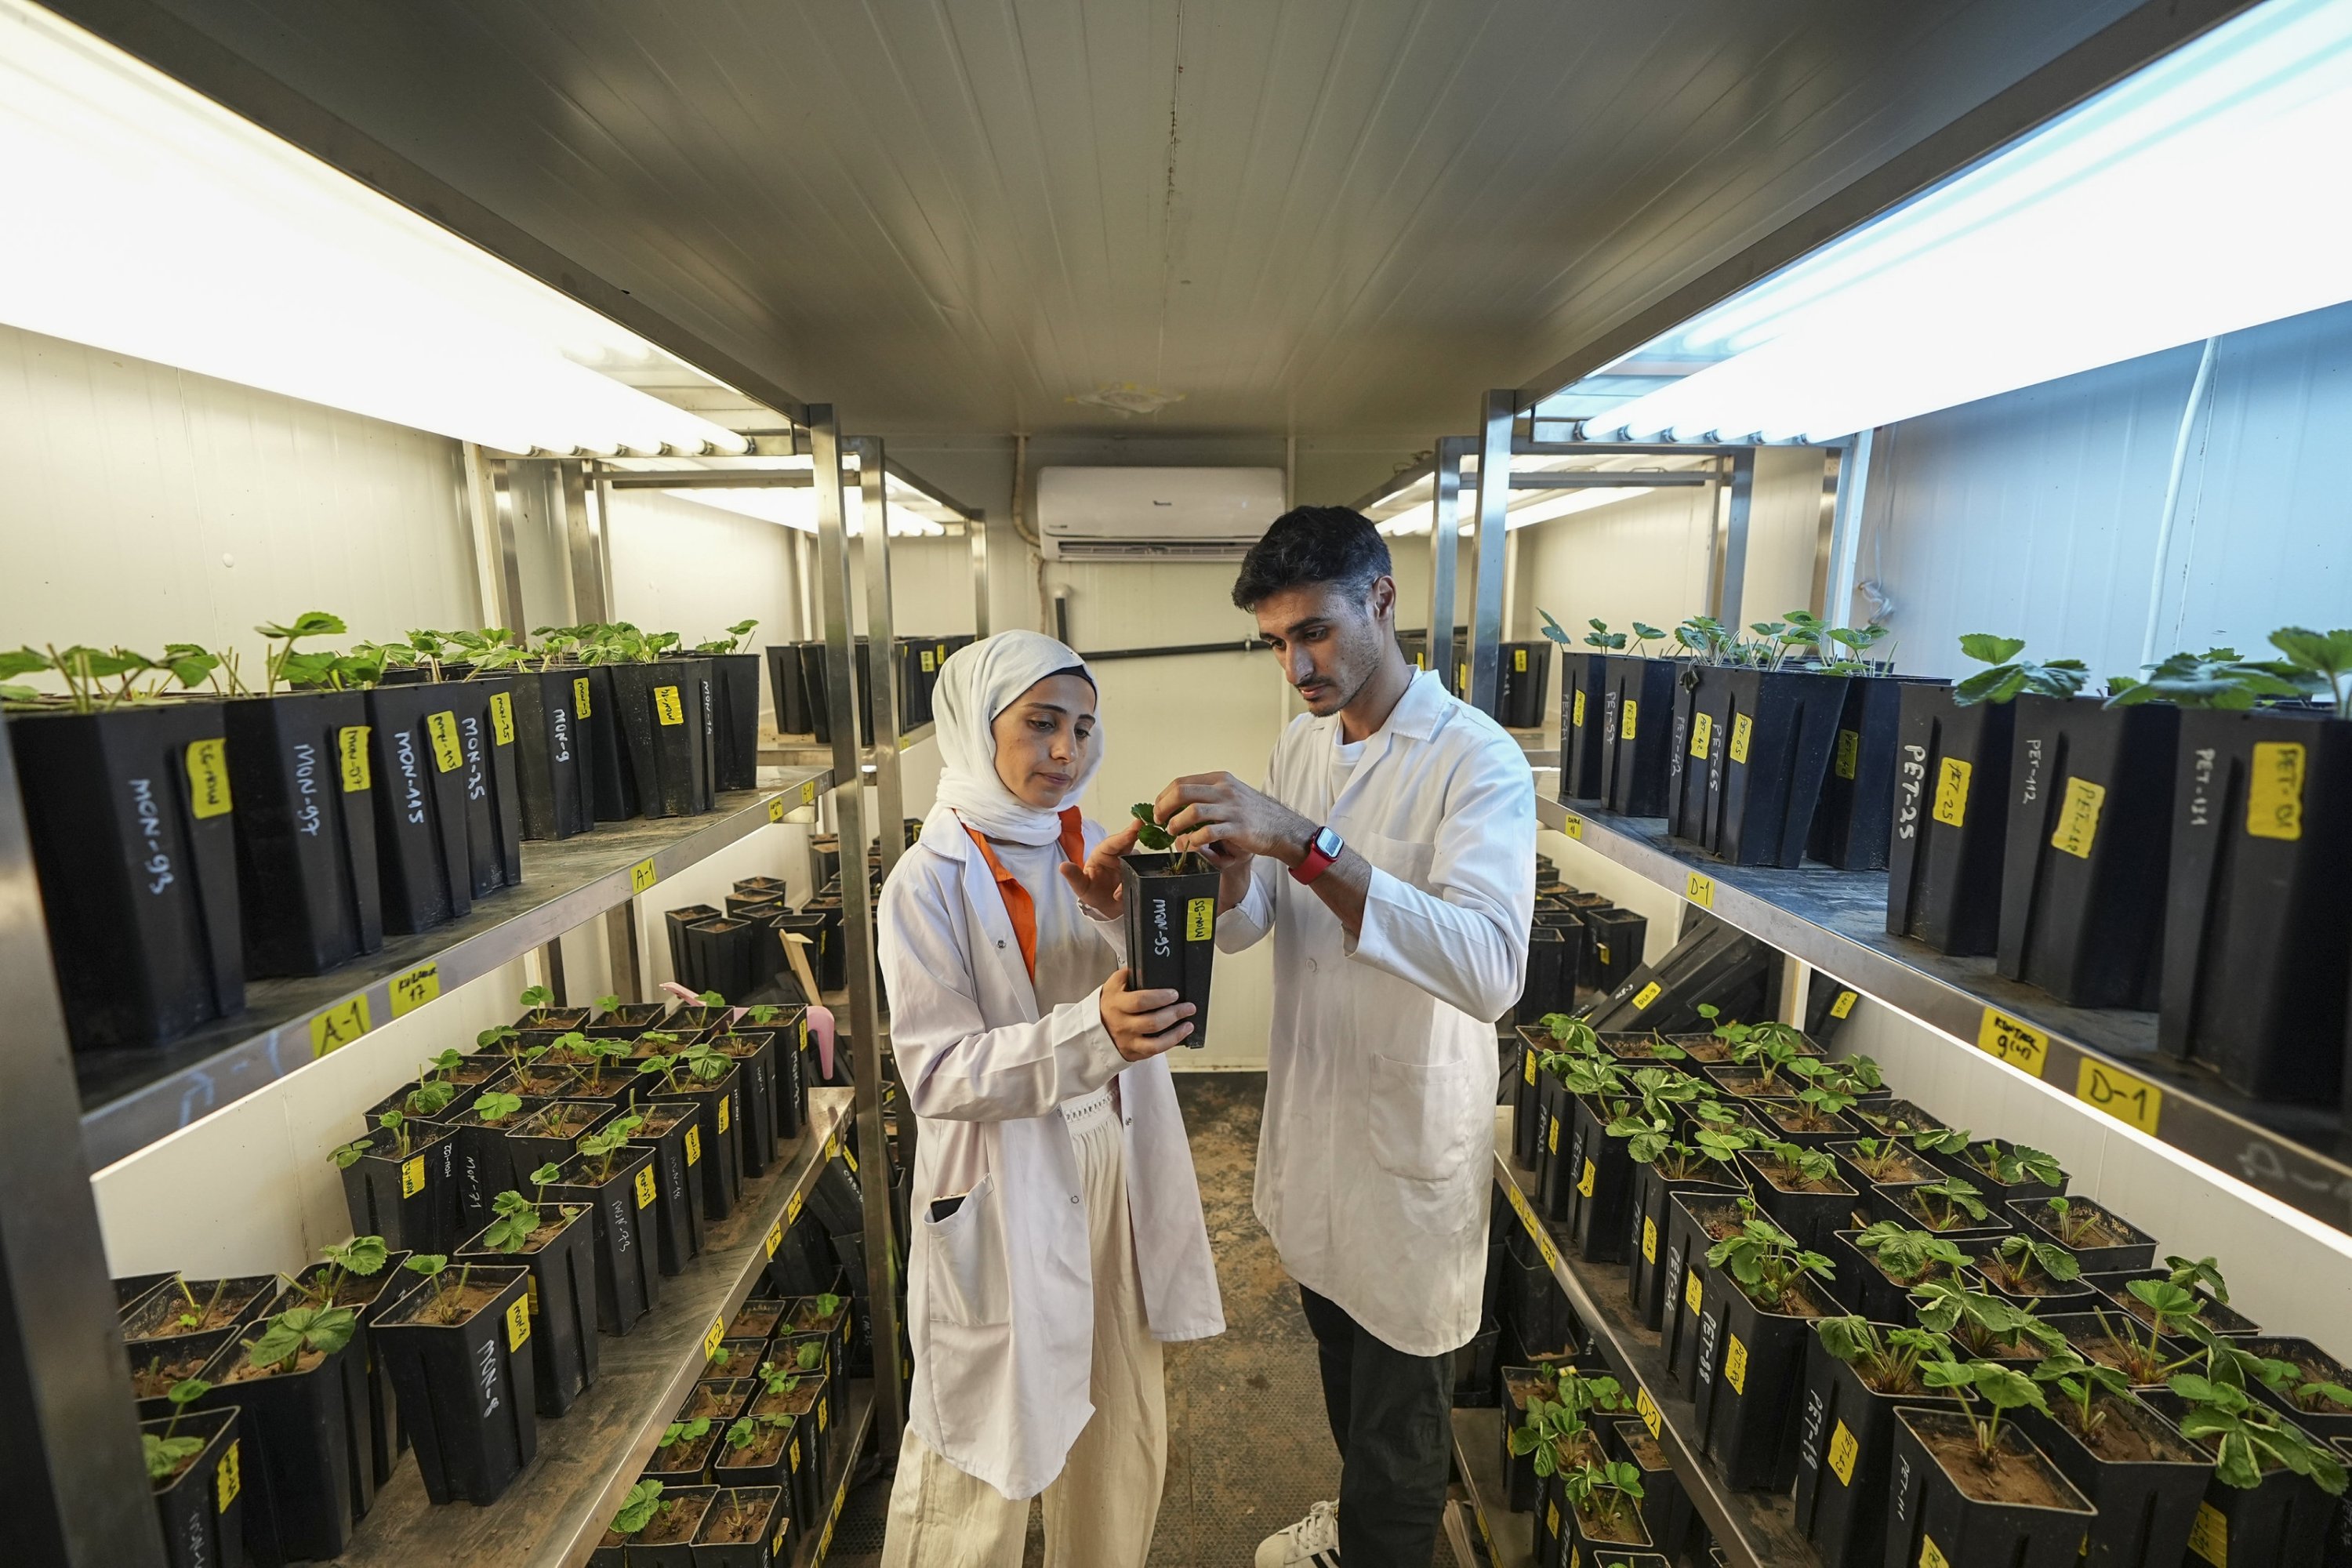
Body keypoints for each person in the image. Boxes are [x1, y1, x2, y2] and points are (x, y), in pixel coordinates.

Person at [1153, 506, 1536, 1568]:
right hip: (1316, 1132)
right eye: (1276, 642)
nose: (1297, 667)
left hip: (1409, 1146)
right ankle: (1358, 1526)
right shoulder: (1303, 745)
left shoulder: (1476, 759)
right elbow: (1251, 927)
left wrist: (1307, 842)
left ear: (1382, 599)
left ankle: (1384, 1541)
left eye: (1314, 632)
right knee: (1340, 1363)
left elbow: (1490, 970)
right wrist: (1233, 865)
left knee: (1401, 1420)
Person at [878, 630, 1224, 1568]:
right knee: (981, 1448)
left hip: (1108, 1149)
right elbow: (939, 1072)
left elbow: (1134, 989)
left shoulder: (1089, 845)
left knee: (1115, 1410)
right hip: (1004, 1175)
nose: (1065, 750)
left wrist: (1122, 915)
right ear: (976, 724)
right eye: (1040, 723)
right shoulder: (927, 881)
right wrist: (1092, 1033)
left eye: (1082, 726)